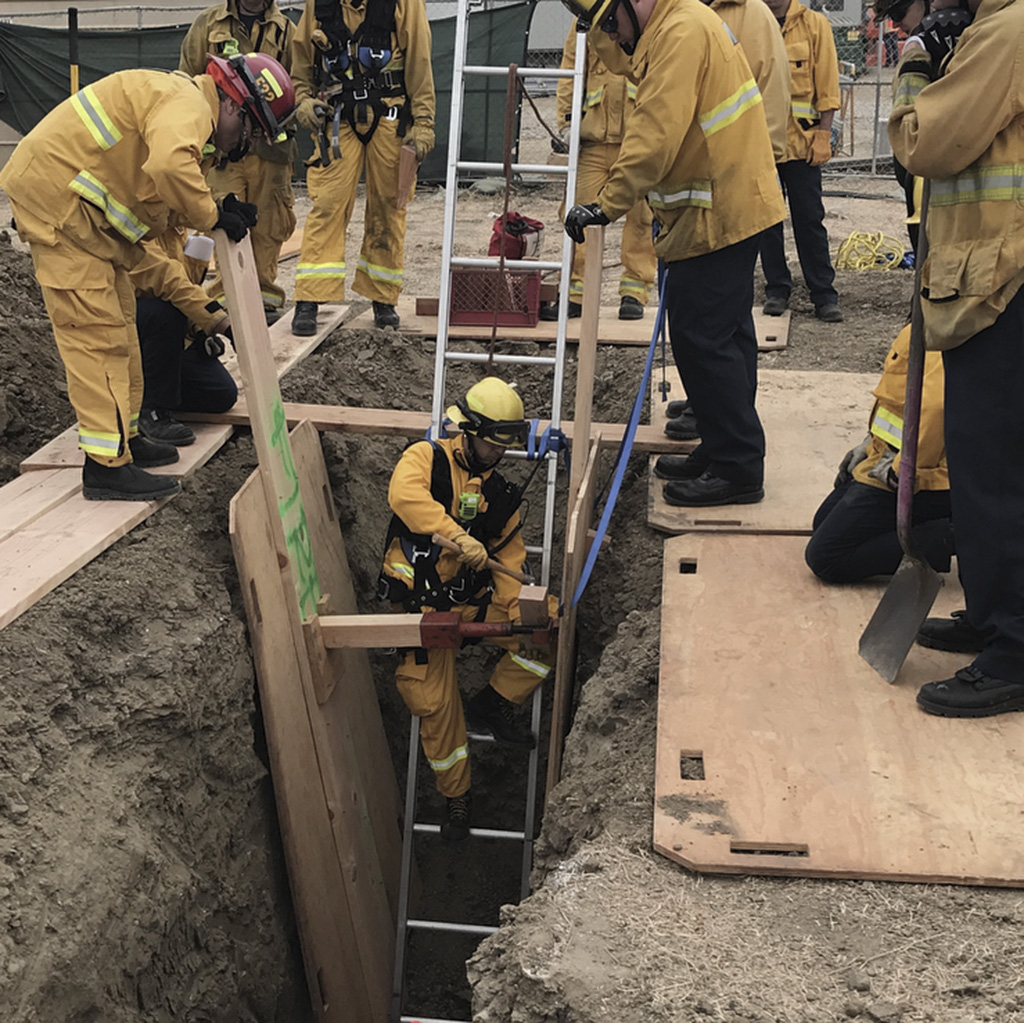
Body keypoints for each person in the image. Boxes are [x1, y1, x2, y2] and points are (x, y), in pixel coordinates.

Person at [0, 54, 295, 501]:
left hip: (89, 222)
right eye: (250, 131)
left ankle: (126, 439)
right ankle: (104, 468)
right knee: (96, 338)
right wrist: (214, 214)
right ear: (234, 105)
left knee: (121, 332)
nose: (245, 146)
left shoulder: (176, 109)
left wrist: (217, 218)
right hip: (59, 211)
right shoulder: (190, 104)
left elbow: (159, 228)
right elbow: (169, 167)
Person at [560, 0, 786, 508]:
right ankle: (723, 442)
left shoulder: (679, 32)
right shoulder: (668, 26)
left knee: (703, 338)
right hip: (723, 205)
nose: (612, 41)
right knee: (723, 335)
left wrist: (604, 205)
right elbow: (624, 61)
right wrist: (598, 26)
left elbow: (654, 137)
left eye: (611, 26)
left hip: (718, 210)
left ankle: (737, 467)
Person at [889, 0, 1024, 717]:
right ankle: (992, 614)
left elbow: (924, 143)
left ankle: (1014, 648)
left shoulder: (1009, 31)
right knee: (988, 467)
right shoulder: (997, 29)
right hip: (994, 279)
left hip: (1004, 286)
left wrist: (915, 65)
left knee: (996, 473)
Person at [378, 378, 556, 841]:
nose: (498, 455)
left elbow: (510, 560)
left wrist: (515, 612)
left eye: (505, 447)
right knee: (433, 704)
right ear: (468, 430)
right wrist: (458, 536)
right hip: (417, 607)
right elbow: (404, 497)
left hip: (467, 603)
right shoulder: (426, 458)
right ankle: (457, 797)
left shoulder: (500, 498)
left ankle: (494, 703)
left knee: (544, 628)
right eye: (491, 444)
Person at [289, 0, 436, 336]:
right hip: (336, 114)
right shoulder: (319, 4)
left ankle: (382, 298)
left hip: (390, 114)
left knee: (389, 204)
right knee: (327, 203)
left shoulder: (404, 3)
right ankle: (310, 298)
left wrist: (424, 122)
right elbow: (301, 61)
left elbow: (419, 61)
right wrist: (304, 100)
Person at [179, 0, 297, 325]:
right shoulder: (208, 24)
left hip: (271, 155)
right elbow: (188, 78)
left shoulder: (287, 31)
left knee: (269, 226)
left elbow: (297, 85)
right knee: (220, 221)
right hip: (223, 151)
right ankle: (224, 299)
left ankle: (265, 301)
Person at [804, 324, 952, 583]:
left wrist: (906, 469)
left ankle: (963, 534)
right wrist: (870, 442)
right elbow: (901, 398)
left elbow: (935, 408)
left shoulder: (947, 324)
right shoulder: (924, 315)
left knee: (827, 557)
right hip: (890, 458)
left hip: (927, 476)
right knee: (823, 523)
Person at [539, 28, 657, 323]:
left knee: (642, 219)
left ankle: (634, 291)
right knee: (578, 218)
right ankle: (577, 292)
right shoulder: (589, 19)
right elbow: (571, 67)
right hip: (592, 142)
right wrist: (567, 121)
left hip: (636, 142)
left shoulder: (647, 16)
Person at [759, 0, 843, 323]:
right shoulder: (755, 23)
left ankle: (823, 294)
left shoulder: (814, 25)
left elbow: (827, 85)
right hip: (763, 145)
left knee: (809, 220)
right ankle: (776, 289)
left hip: (804, 146)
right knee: (767, 222)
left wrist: (824, 134)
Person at [131, 229, 239, 446]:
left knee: (220, 394)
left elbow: (187, 288)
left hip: (164, 334)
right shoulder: (137, 227)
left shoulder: (171, 228)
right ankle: (151, 409)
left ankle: (144, 390)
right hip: (126, 328)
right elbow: (169, 282)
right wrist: (222, 324)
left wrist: (201, 331)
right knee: (162, 312)